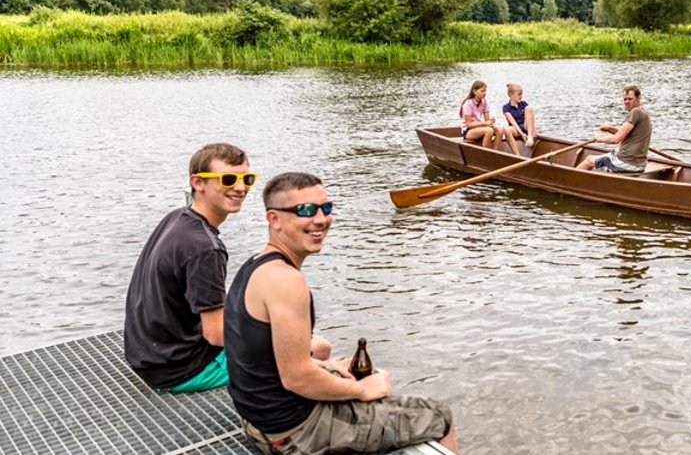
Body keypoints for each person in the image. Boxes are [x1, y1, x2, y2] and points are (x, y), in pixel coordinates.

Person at [225, 172, 458, 454]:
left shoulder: (256, 265)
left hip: (258, 420)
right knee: (438, 415)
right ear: (274, 219)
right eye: (305, 210)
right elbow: (296, 378)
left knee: (343, 369)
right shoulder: (286, 281)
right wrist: (365, 390)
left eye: (326, 208)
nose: (321, 219)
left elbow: (271, 358)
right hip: (294, 433)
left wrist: (328, 368)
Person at [123, 143, 253, 393]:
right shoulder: (206, 249)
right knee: (308, 350)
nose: (240, 188)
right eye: (227, 179)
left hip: (148, 355)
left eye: (246, 178)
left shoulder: (178, 218)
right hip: (181, 369)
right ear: (198, 182)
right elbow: (216, 335)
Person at [577, 84, 652, 173]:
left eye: (630, 99)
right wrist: (609, 128)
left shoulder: (635, 112)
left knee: (589, 160)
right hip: (639, 164)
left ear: (638, 98)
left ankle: (569, 179)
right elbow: (625, 133)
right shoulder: (643, 113)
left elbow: (616, 140)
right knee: (608, 156)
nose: (627, 102)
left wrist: (599, 139)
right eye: (625, 99)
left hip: (626, 163)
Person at [460, 80, 520, 154]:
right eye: (482, 91)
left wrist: (491, 122)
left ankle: (495, 153)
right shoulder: (468, 104)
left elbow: (487, 121)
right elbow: (469, 124)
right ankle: (487, 155)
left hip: (479, 127)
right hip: (468, 131)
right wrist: (485, 123)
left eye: (485, 91)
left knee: (500, 130)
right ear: (474, 91)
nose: (484, 93)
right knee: (489, 131)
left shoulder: (484, 102)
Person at [502, 83, 538, 147]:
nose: (521, 96)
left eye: (521, 94)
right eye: (519, 94)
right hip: (516, 128)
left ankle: (530, 137)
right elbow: (513, 122)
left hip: (525, 126)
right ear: (511, 95)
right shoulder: (506, 107)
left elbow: (531, 117)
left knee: (529, 108)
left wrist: (534, 129)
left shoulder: (523, 104)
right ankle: (516, 155)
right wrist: (521, 134)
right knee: (507, 129)